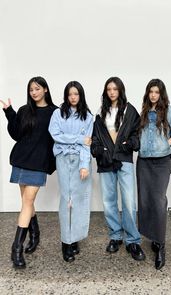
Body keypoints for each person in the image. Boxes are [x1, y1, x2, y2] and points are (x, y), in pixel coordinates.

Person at [0, 76, 57, 269]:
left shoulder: (54, 112)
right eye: (31, 89)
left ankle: (16, 248)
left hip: (38, 162)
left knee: (27, 202)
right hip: (21, 159)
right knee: (26, 200)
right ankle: (34, 233)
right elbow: (16, 134)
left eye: (37, 88)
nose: (34, 92)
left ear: (45, 90)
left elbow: (57, 139)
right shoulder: (25, 110)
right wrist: (9, 112)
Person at [91, 77, 145, 261]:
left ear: (121, 90)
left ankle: (133, 240)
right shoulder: (100, 112)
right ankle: (115, 236)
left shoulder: (130, 111)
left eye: (115, 89)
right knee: (109, 201)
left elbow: (137, 133)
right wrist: (98, 150)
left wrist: (129, 144)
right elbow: (95, 137)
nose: (112, 92)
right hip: (105, 161)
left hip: (124, 159)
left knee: (129, 201)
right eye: (109, 89)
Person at [49, 81, 93, 262]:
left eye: (76, 94)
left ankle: (74, 238)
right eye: (70, 94)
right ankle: (65, 242)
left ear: (81, 95)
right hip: (64, 160)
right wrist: (79, 139)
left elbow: (88, 143)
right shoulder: (57, 114)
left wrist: (84, 164)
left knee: (80, 201)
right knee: (67, 200)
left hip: (80, 162)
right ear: (66, 96)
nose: (73, 97)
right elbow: (55, 134)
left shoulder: (88, 116)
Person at [137, 79, 171, 270]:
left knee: (159, 200)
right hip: (144, 160)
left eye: (157, 92)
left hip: (162, 161)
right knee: (145, 200)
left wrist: (165, 145)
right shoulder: (144, 110)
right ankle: (153, 236)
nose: (154, 95)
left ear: (162, 94)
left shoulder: (169, 111)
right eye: (151, 92)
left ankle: (161, 246)